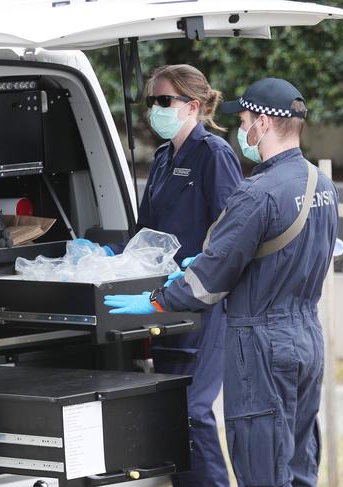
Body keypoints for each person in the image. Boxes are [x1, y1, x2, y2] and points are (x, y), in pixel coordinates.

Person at [105, 78, 339, 487]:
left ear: (263, 123)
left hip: (262, 343)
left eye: (245, 119)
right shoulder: (321, 184)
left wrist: (157, 300)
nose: (242, 130)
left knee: (262, 466)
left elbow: (208, 281)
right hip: (306, 336)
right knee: (299, 464)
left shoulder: (258, 192)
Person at [88, 64, 243, 487]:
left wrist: (201, 264)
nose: (153, 109)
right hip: (166, 302)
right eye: (151, 101)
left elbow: (234, 229)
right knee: (172, 414)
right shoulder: (161, 159)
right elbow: (146, 235)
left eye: (163, 101)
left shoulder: (214, 154)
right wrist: (108, 253)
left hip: (206, 302)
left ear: (192, 106)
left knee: (192, 412)